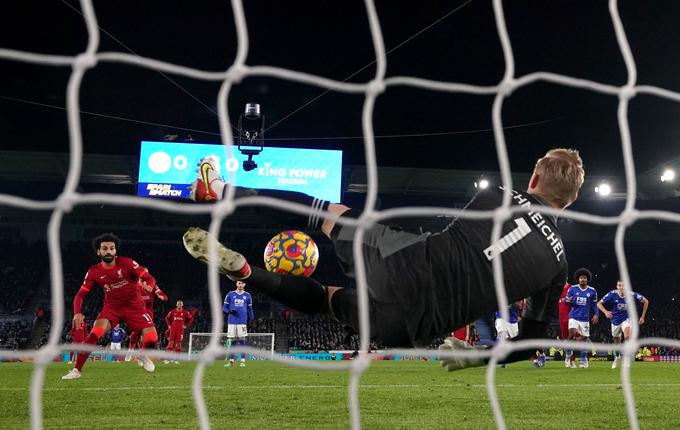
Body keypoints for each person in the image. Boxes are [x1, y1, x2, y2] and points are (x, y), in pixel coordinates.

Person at [183, 148, 584, 370]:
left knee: (324, 213)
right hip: (415, 328)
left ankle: (217, 188)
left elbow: (468, 244)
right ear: (572, 202)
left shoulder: (496, 194)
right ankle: (246, 271)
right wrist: (479, 357)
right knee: (327, 300)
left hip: (403, 261)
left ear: (532, 180)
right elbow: (532, 343)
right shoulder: (559, 263)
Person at [62, 233, 160, 380]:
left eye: (111, 248)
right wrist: (77, 313)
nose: (108, 251)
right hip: (112, 308)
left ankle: (142, 355)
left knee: (152, 337)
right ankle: (77, 370)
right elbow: (80, 295)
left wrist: (149, 286)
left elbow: (148, 278)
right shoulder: (94, 271)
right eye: (105, 248)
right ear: (99, 251)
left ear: (115, 251)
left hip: (135, 307)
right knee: (94, 334)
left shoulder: (126, 263)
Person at [597, 280, 649, 369]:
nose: (622, 287)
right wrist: (605, 312)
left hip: (627, 319)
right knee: (616, 341)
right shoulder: (611, 294)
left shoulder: (632, 295)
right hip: (615, 320)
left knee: (627, 337)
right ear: (617, 287)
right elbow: (599, 303)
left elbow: (646, 301)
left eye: (624, 285)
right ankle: (617, 357)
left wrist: (642, 316)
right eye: (620, 285)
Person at [563, 268, 599, 368]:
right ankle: (568, 356)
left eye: (584, 278)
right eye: (581, 278)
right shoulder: (573, 289)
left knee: (584, 339)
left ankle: (583, 360)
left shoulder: (592, 291)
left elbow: (594, 304)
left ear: (587, 279)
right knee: (572, 334)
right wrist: (568, 301)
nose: (582, 279)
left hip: (585, 318)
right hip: (573, 316)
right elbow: (565, 301)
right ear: (578, 279)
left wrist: (596, 314)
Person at [126, 278, 168, 362]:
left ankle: (142, 355)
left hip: (148, 313)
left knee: (146, 335)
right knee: (136, 331)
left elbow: (164, 295)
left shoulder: (152, 286)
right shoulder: (133, 286)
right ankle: (131, 350)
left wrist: (162, 297)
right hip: (137, 312)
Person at [223, 281, 254, 367]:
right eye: (239, 283)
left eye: (242, 283)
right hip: (232, 321)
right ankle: (231, 361)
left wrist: (252, 318)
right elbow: (224, 307)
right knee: (232, 341)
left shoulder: (247, 295)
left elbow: (250, 308)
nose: (240, 285)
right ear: (236, 284)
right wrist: (229, 311)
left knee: (242, 340)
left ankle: (243, 361)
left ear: (245, 284)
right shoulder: (230, 294)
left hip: (242, 321)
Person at [164, 300, 194, 364]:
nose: (179, 305)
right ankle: (168, 359)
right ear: (176, 305)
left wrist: (186, 325)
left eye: (180, 304)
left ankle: (177, 359)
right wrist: (169, 325)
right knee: (170, 344)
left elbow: (191, 319)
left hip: (180, 330)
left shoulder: (185, 312)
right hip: (173, 329)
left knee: (179, 344)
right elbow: (167, 318)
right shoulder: (173, 311)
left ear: (182, 305)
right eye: (178, 304)